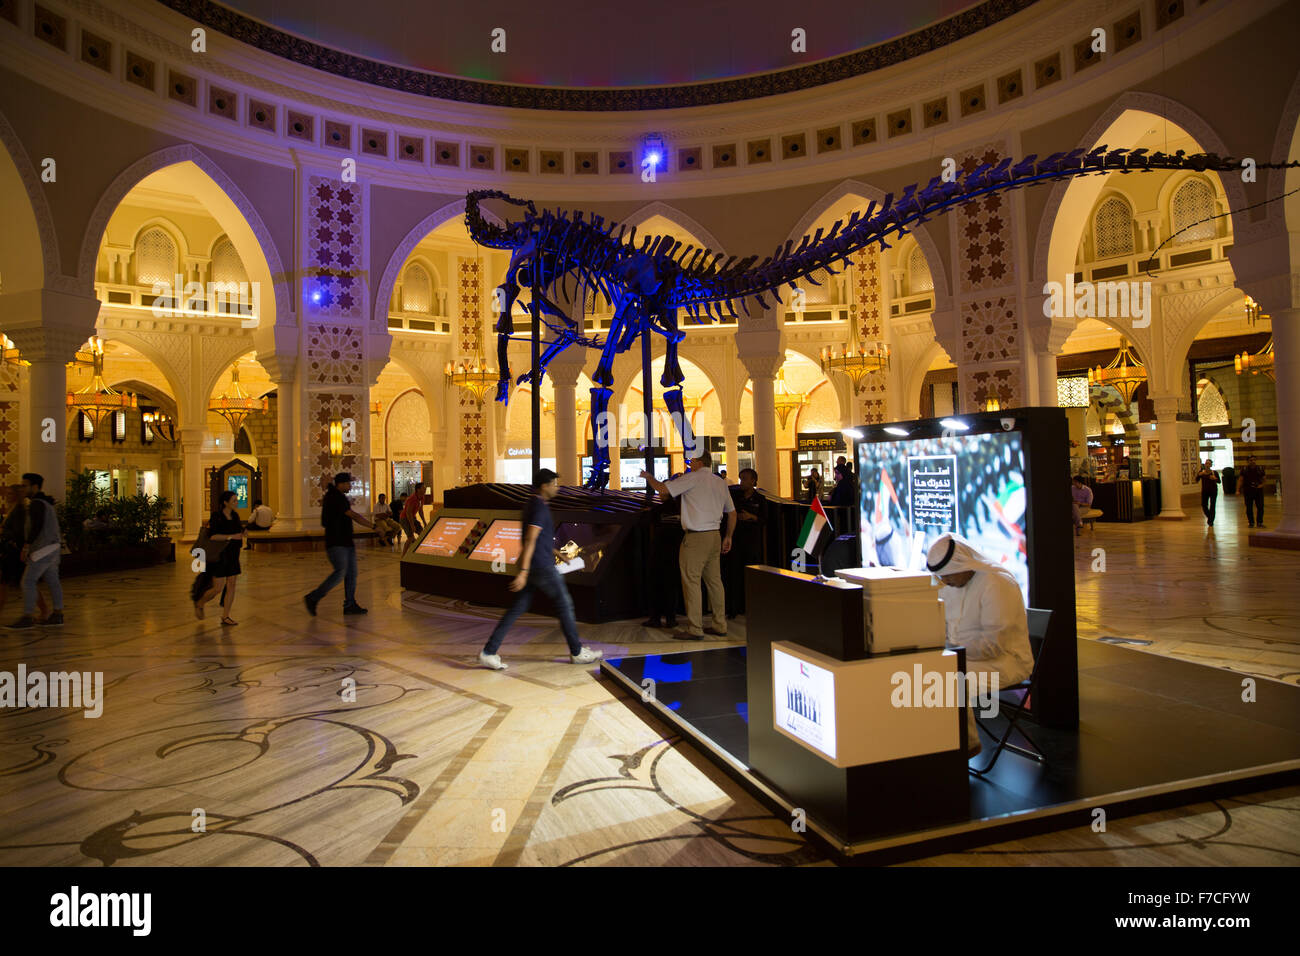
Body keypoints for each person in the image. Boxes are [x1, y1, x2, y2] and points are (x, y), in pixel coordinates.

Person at [480, 469, 603, 669]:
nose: (557, 487)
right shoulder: (539, 508)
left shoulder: (533, 504)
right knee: (565, 605)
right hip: (541, 567)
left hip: (537, 564)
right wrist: (524, 572)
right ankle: (577, 651)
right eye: (554, 484)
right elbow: (531, 539)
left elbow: (539, 538)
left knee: (517, 608)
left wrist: (558, 553)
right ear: (544, 486)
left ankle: (489, 651)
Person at [925, 533, 1034, 758]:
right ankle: (934, 747)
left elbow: (994, 644)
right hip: (962, 659)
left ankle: (966, 745)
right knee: (921, 674)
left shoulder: (997, 583)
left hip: (1006, 662)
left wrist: (951, 653)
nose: (945, 581)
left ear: (964, 564)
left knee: (948, 681)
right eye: (941, 577)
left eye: (948, 576)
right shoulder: (949, 585)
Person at [642, 447, 736, 641]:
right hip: (715, 536)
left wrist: (648, 476)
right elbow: (732, 513)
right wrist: (729, 536)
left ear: (699, 462)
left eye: (691, 462)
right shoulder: (720, 482)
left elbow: (662, 490)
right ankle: (720, 625)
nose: (689, 465)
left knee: (691, 581)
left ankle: (695, 629)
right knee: (715, 582)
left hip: (696, 537)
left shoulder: (693, 478)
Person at [305, 473, 375, 617]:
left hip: (345, 542)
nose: (350, 486)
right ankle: (313, 597)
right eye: (348, 483)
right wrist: (373, 526)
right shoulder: (335, 497)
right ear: (341, 484)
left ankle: (350, 604)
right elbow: (354, 515)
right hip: (337, 543)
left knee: (351, 574)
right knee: (340, 572)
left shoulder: (336, 496)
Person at [7, 473, 64, 630]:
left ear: (35, 487)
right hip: (53, 547)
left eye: (25, 485)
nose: (23, 488)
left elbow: (36, 526)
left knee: (27, 581)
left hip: (42, 549)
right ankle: (58, 613)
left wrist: (27, 546)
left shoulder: (36, 504)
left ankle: (27, 616)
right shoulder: (46, 503)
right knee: (53, 581)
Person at [194, 490, 246, 625]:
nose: (236, 502)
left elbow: (238, 531)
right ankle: (200, 602)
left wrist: (243, 533)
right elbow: (213, 536)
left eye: (236, 500)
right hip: (220, 555)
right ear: (225, 503)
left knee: (232, 585)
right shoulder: (217, 517)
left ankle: (226, 616)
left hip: (233, 554)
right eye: (234, 500)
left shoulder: (235, 516)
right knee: (217, 588)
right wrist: (231, 536)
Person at [0, 483, 48, 622]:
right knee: (18, 582)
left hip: (14, 553)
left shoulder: (19, 511)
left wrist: (5, 533)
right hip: (13, 553)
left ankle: (43, 611)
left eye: (10, 494)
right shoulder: (15, 509)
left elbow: (19, 532)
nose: (7, 496)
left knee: (13, 583)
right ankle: (43, 610)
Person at [723, 467, 767, 617]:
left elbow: (765, 520)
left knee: (750, 575)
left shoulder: (760, 499)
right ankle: (733, 608)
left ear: (753, 481)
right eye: (740, 478)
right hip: (736, 541)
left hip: (752, 543)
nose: (741, 482)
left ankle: (751, 607)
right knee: (733, 575)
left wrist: (751, 517)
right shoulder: (735, 497)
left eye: (745, 479)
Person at [642, 488, 683, 629]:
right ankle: (671, 618)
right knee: (672, 586)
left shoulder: (657, 510)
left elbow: (650, 527)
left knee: (656, 585)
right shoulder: (682, 509)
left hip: (659, 551)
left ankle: (655, 618)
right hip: (676, 551)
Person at [1241, 456, 1266, 529]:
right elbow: (1240, 479)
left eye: (1254, 460)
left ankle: (1260, 522)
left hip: (1258, 491)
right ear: (1248, 461)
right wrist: (1237, 490)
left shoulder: (1260, 469)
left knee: (1260, 507)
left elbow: (1264, 479)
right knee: (1249, 507)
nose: (1253, 461)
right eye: (1251, 460)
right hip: (1248, 491)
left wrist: (1261, 485)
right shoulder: (1244, 469)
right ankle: (1251, 522)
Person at [399, 485, 425, 554]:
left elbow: (420, 511)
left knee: (422, 533)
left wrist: (424, 522)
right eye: (423, 488)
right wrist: (412, 525)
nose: (425, 489)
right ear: (418, 489)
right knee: (410, 537)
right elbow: (408, 513)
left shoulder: (422, 498)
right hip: (404, 518)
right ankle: (403, 555)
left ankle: (419, 551)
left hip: (412, 517)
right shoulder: (412, 499)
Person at [1198, 459, 1220, 527]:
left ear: (1211, 465)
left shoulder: (1214, 472)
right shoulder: (1202, 472)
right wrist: (1199, 475)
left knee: (1212, 505)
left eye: (1208, 464)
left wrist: (1214, 479)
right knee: (1204, 505)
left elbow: (1219, 481)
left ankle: (1211, 521)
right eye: (1206, 463)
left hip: (1213, 491)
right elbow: (1196, 479)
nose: (1207, 465)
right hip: (1205, 491)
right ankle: (1210, 517)